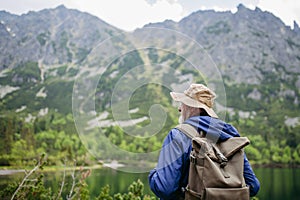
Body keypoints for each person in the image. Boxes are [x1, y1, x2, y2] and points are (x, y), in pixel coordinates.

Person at [148, 83, 260, 199]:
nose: (179, 108)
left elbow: (165, 189)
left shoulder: (178, 135)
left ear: (192, 107)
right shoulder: (231, 136)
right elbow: (253, 186)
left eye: (183, 104)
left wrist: (155, 173)